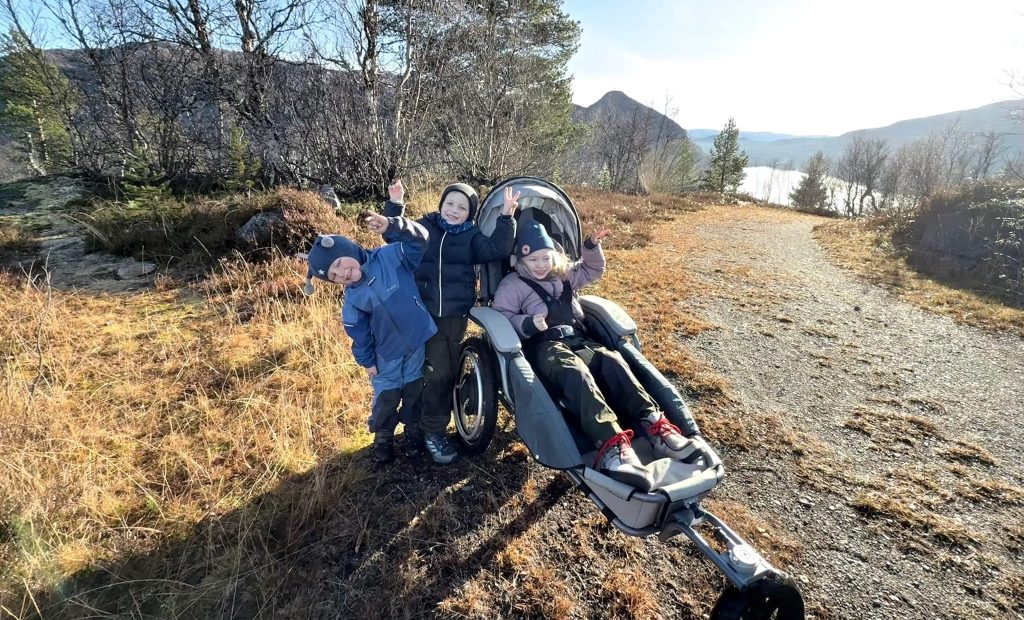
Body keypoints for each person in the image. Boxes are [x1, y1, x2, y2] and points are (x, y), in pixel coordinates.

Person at [491, 220, 696, 488]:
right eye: (533, 259)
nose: (540, 265)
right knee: (576, 372)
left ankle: (655, 426)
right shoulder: (513, 284)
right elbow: (502, 315)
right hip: (544, 346)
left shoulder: (564, 274)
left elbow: (592, 268)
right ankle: (612, 447)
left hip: (579, 338)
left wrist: (591, 247)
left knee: (613, 362)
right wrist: (528, 323)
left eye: (545, 257)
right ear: (521, 258)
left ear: (554, 255)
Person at [383, 180, 519, 464]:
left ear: (470, 213)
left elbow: (497, 250)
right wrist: (396, 205)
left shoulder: (471, 236)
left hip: (453, 319)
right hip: (420, 315)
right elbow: (396, 236)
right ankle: (421, 429)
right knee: (423, 374)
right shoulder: (426, 226)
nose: (454, 210)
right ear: (441, 204)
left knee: (441, 374)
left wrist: (507, 216)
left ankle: (427, 430)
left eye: (462, 207)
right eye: (450, 204)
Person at [302, 213, 436, 464]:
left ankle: (412, 430)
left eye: (340, 263)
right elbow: (358, 334)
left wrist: (393, 226)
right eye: (333, 276)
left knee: (414, 390)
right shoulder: (353, 300)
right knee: (387, 396)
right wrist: (367, 361)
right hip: (386, 354)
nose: (342, 273)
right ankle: (383, 436)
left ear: (349, 249)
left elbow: (421, 240)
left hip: (416, 341)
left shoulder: (389, 257)